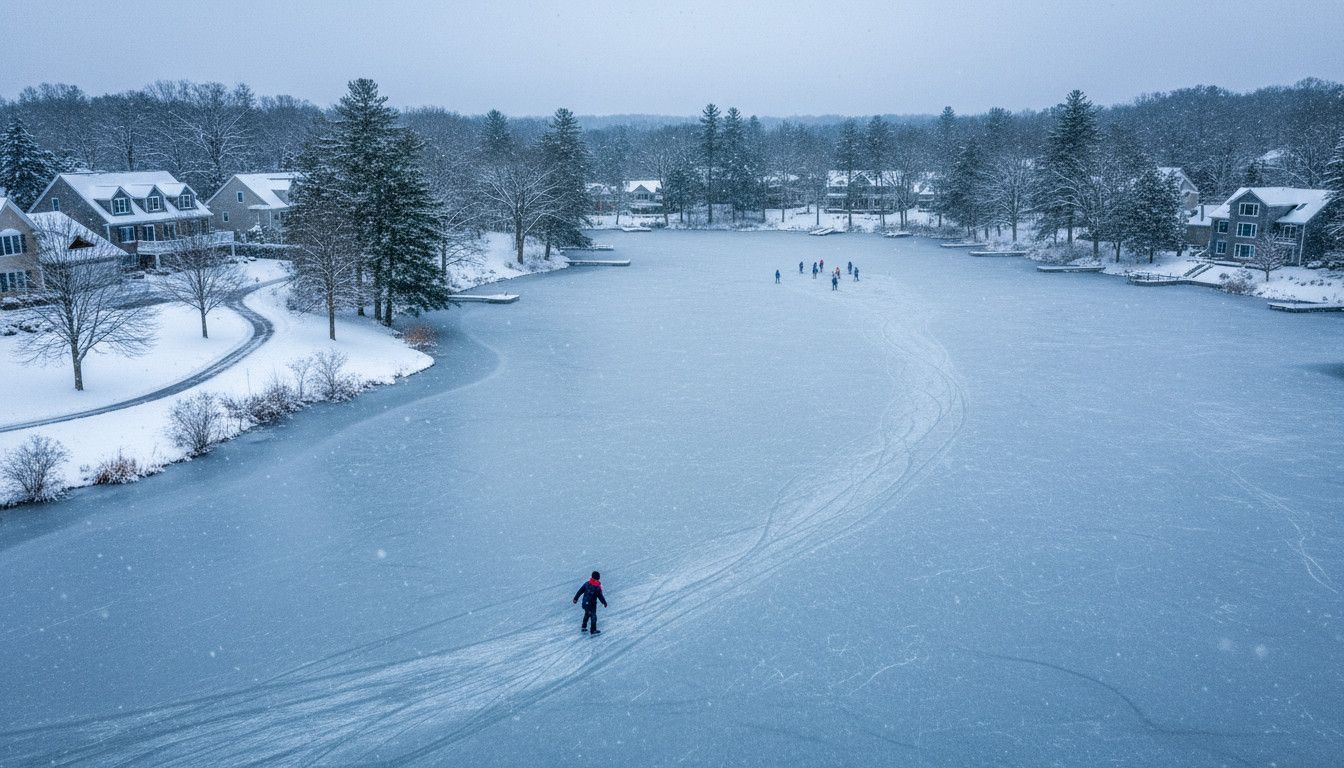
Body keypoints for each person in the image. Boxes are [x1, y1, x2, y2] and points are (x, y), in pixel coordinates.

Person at [573, 570, 608, 635]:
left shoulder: (586, 583)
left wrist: (575, 598)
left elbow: (580, 591)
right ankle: (593, 630)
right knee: (593, 616)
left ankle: (583, 627)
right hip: (592, 605)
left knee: (587, 614)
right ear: (597, 578)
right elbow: (600, 596)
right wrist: (604, 603)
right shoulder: (597, 587)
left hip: (585, 603)